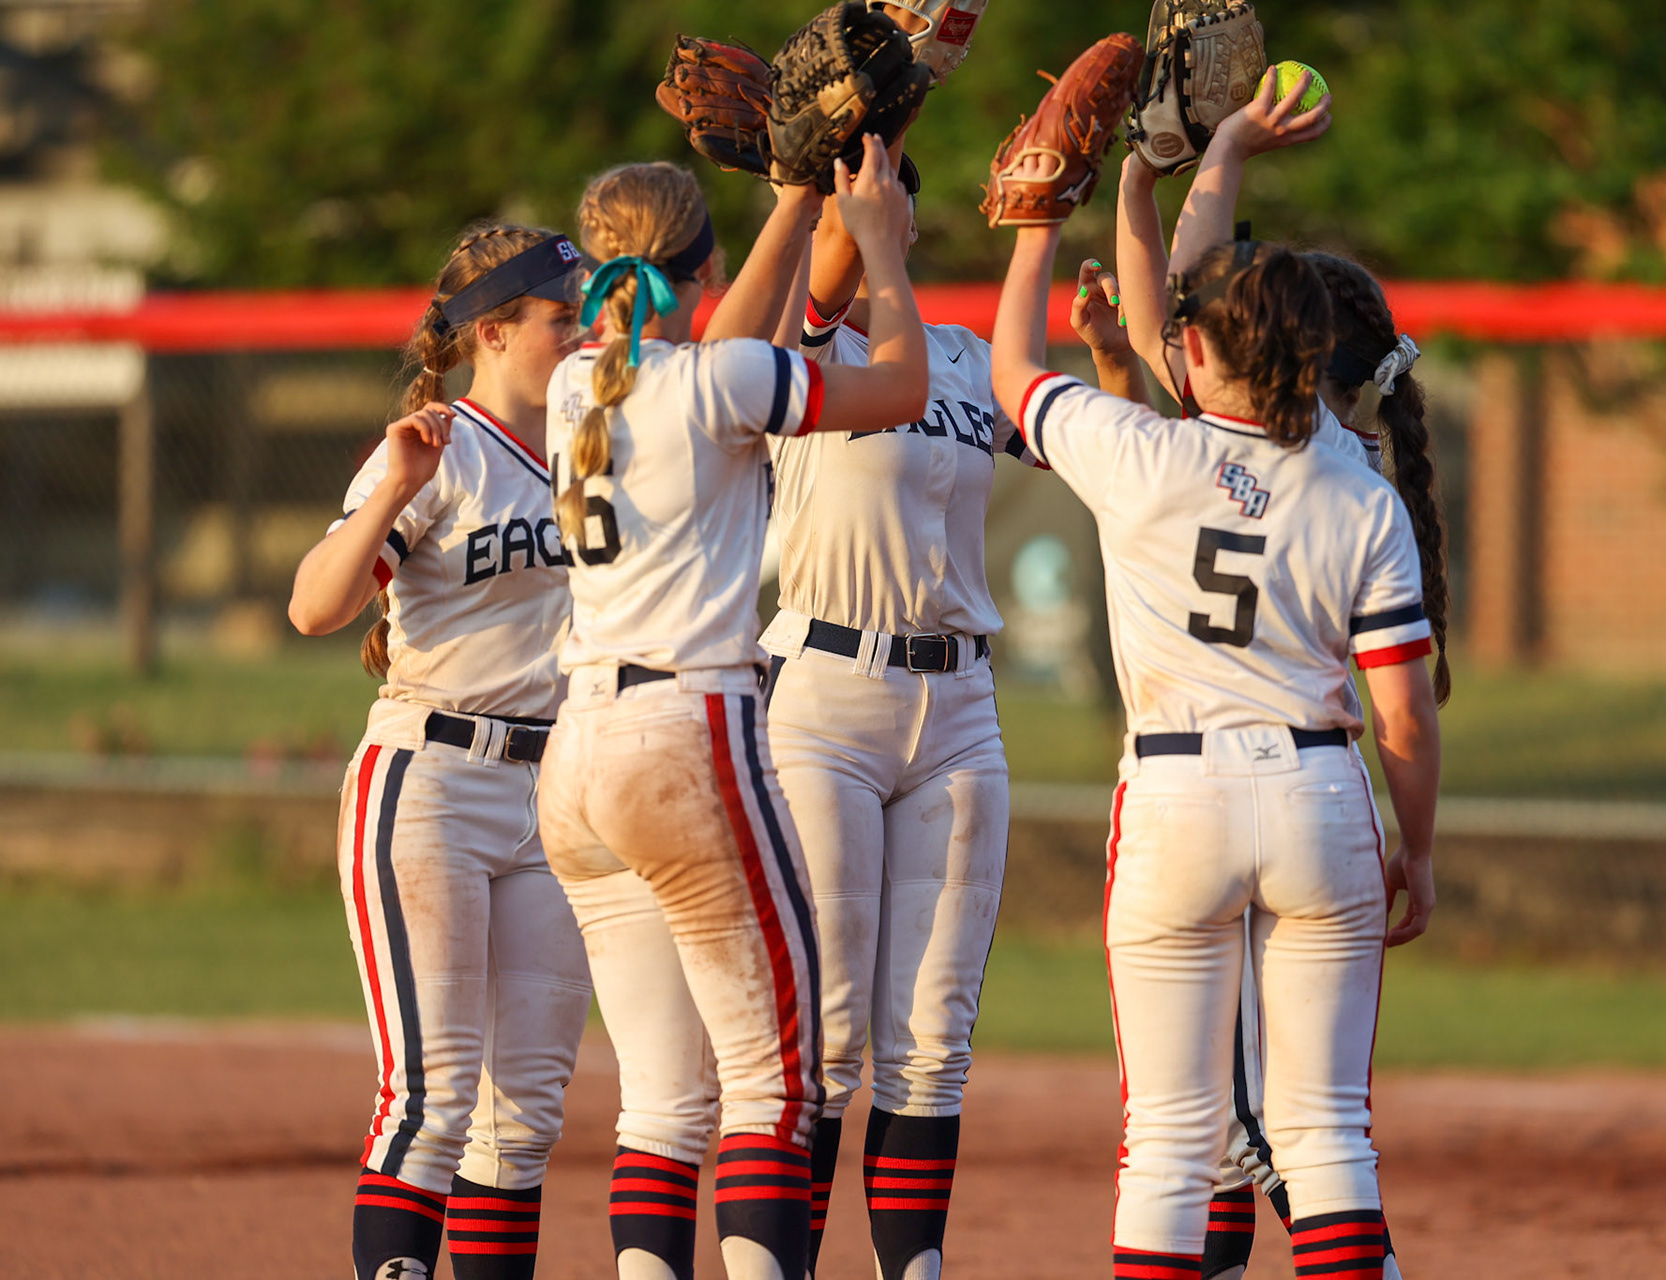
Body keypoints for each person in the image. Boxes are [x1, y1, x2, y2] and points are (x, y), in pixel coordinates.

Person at [988, 67, 1442, 1280]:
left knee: (1169, 1143)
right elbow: (1403, 712)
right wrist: (1420, 844)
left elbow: (1013, 379)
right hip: (1319, 796)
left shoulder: (1145, 451)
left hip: (1176, 801)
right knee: (1327, 1133)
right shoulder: (1360, 482)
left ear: (1196, 354)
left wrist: (1041, 230)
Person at [535, 134, 931, 1280]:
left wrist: (803, 194)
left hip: (577, 758)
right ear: (701, 274)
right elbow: (898, 386)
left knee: (663, 1100)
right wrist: (883, 249)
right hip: (685, 736)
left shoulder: (578, 383)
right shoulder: (721, 380)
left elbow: (717, 337)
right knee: (774, 1078)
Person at [759, 119, 1044, 1280]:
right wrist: (840, 224)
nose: (865, 211)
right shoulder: (799, 347)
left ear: (914, 220)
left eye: (879, 199)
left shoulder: (967, 356)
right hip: (823, 698)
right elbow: (820, 309)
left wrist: (1048, 232)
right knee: (825, 1041)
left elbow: (1059, 421)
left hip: (960, 707)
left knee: (932, 1043)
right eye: (843, 202)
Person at [288, 223, 597, 1280]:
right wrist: (392, 488)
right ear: (495, 330)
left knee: (525, 1114)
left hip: (557, 791)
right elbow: (313, 606)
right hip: (433, 780)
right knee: (429, 1096)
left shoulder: (597, 437)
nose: (583, 329)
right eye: (562, 316)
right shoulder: (437, 446)